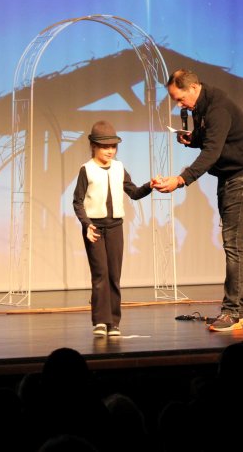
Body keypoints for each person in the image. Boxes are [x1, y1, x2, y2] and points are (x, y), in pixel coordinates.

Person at [151, 68, 243, 332]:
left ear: (193, 87)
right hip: (229, 175)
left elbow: (212, 152)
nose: (179, 105)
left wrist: (181, 180)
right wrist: (192, 140)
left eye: (180, 99)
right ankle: (238, 311)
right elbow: (211, 139)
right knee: (234, 243)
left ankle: (233, 312)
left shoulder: (217, 108)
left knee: (234, 243)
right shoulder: (201, 106)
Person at [72, 120, 152, 337]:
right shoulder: (86, 170)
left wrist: (150, 186)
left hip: (116, 227)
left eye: (113, 146)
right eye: (104, 146)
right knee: (100, 274)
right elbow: (77, 201)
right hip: (94, 228)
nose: (110, 151)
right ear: (93, 146)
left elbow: (133, 192)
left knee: (114, 275)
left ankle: (114, 322)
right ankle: (100, 321)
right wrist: (86, 224)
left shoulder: (119, 168)